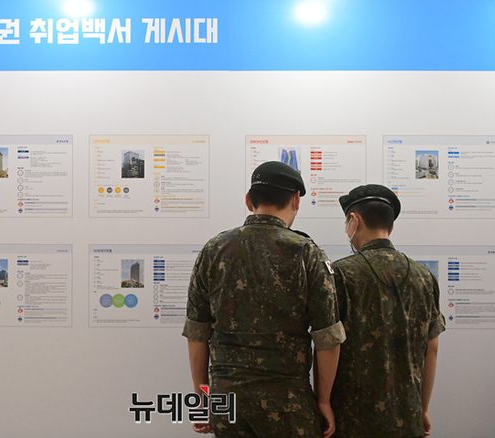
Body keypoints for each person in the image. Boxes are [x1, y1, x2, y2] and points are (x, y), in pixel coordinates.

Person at [182, 161, 346, 438]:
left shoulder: (214, 250)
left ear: (249, 200)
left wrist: (203, 398)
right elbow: (327, 338)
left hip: (228, 401)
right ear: (296, 200)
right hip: (288, 402)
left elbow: (197, 333)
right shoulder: (307, 253)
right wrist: (323, 400)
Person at [331, 184, 446, 437]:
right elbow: (432, 348)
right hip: (408, 417)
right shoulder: (425, 277)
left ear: (353, 221)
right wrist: (423, 408)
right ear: (391, 227)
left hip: (351, 419)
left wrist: (322, 402)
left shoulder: (340, 274)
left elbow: (329, 345)